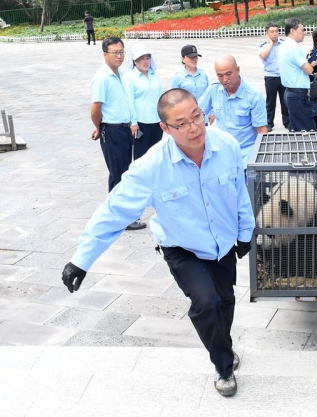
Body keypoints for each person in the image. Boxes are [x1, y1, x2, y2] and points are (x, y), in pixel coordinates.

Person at [61, 88, 255, 397]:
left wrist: (246, 233)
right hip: (181, 246)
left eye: (197, 117)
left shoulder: (227, 145)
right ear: (164, 128)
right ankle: (223, 367)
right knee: (207, 303)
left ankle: (224, 346)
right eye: (182, 124)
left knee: (225, 301)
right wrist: (80, 260)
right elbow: (114, 211)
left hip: (221, 242)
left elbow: (240, 192)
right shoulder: (152, 166)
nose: (194, 128)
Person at [90, 36, 145, 231]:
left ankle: (112, 216)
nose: (119, 56)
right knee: (120, 175)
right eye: (115, 53)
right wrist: (100, 127)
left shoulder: (119, 73)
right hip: (112, 130)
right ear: (105, 54)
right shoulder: (102, 77)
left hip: (123, 129)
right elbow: (96, 109)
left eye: (121, 52)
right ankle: (123, 218)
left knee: (117, 174)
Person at [198, 55, 268, 168]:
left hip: (246, 155)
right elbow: (198, 112)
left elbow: (262, 130)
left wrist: (261, 162)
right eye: (220, 76)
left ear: (238, 70)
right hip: (222, 154)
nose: (224, 80)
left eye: (228, 74)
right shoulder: (214, 89)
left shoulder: (253, 96)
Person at [124, 43, 164, 160]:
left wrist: (165, 117)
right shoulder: (130, 77)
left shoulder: (153, 75)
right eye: (142, 58)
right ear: (135, 61)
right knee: (141, 156)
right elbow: (129, 101)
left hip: (157, 121)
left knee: (155, 154)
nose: (145, 61)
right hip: (141, 122)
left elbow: (161, 97)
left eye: (147, 58)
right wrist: (134, 122)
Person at [279, 17, 317, 132]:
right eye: (302, 29)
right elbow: (308, 70)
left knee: (296, 131)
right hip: (298, 95)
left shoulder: (283, 46)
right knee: (308, 131)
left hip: (290, 93)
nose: (304, 33)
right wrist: (311, 65)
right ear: (292, 31)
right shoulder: (294, 47)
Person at [259, 22, 289, 132]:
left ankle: (287, 122)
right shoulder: (263, 46)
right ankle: (269, 123)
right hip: (270, 77)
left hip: (283, 76)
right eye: (272, 31)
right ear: (267, 33)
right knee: (270, 101)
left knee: (285, 100)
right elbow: (263, 56)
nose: (275, 34)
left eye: (276, 31)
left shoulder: (284, 44)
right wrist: (271, 44)